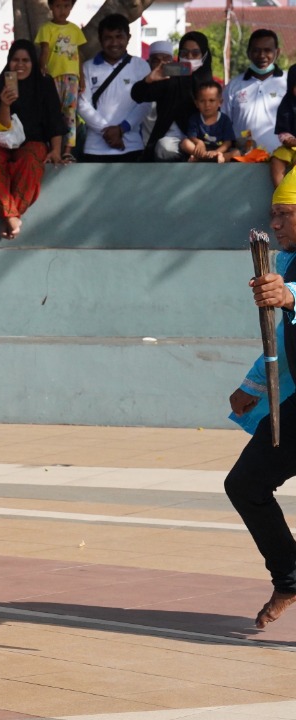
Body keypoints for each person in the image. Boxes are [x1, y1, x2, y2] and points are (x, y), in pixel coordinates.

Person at [224, 170, 296, 632]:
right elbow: (285, 345)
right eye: (272, 215)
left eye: (284, 214)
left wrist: (291, 297)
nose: (275, 224)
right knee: (245, 484)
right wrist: (252, 389)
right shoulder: (286, 262)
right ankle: (290, 577)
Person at [0, 39, 66, 240]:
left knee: (31, 160)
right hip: (3, 143)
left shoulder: (44, 83)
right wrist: (5, 104)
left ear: (33, 62)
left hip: (33, 142)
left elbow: (54, 119)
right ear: (9, 62)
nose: (20, 65)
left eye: (26, 60)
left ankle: (9, 215)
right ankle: (12, 216)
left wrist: (56, 150)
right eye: (15, 60)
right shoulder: (0, 85)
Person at [77, 14, 150, 163]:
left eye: (119, 36)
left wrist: (122, 129)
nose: (114, 42)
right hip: (95, 148)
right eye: (108, 38)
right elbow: (82, 104)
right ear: (100, 39)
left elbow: (145, 103)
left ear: (128, 37)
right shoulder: (87, 68)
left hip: (132, 146)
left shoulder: (141, 66)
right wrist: (106, 130)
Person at [132, 31, 213, 162]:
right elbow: (138, 95)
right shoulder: (172, 74)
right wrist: (149, 79)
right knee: (164, 147)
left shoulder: (209, 83)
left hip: (201, 140)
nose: (190, 57)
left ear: (204, 55)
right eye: (184, 53)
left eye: (195, 53)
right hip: (172, 143)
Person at [35, 0, 85, 160]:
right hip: (52, 77)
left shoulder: (75, 29)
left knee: (70, 113)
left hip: (72, 77)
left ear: (71, 7)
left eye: (66, 6)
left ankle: (67, 150)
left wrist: (81, 77)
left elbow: (79, 56)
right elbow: (44, 50)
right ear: (50, 6)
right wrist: (41, 73)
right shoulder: (46, 28)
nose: (62, 10)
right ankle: (51, 147)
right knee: (52, 112)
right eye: (58, 6)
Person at [226, 30, 283, 160]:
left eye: (267, 50)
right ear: (248, 53)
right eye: (256, 50)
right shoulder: (233, 86)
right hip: (243, 162)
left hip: (282, 162)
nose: (262, 55)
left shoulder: (288, 82)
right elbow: (224, 124)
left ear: (277, 52)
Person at [178, 80, 235, 163]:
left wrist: (216, 152)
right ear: (196, 103)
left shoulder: (225, 119)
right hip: (201, 150)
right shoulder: (194, 118)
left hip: (220, 152)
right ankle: (208, 158)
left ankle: (203, 159)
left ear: (220, 102)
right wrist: (199, 142)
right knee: (184, 143)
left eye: (211, 100)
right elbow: (191, 136)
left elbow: (227, 143)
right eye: (202, 101)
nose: (207, 105)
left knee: (236, 153)